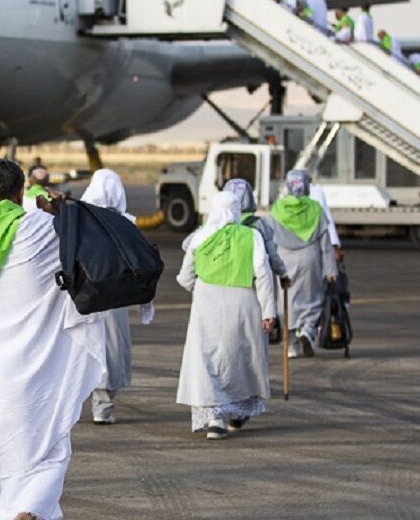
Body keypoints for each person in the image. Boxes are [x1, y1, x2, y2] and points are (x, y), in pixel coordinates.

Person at [0, 159, 104, 520]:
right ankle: (27, 511)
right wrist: (61, 210)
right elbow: (94, 243)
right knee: (49, 453)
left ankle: (11, 511)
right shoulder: (40, 228)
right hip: (33, 376)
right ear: (21, 192)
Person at [176, 191, 276, 440]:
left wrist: (201, 288)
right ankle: (236, 411)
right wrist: (268, 311)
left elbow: (184, 276)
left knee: (208, 360)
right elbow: (263, 273)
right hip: (243, 303)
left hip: (206, 305)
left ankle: (215, 420)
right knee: (238, 358)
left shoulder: (200, 236)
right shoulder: (251, 235)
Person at [80, 169, 154, 425]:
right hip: (113, 298)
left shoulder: (79, 220)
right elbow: (141, 263)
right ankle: (103, 405)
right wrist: (145, 299)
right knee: (110, 349)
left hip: (82, 297)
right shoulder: (126, 223)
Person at [268, 171, 337, 358]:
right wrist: (331, 269)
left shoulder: (278, 209)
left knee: (286, 301)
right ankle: (307, 331)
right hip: (310, 258)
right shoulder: (315, 209)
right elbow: (326, 243)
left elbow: (270, 240)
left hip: (284, 259)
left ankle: (292, 346)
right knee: (312, 298)